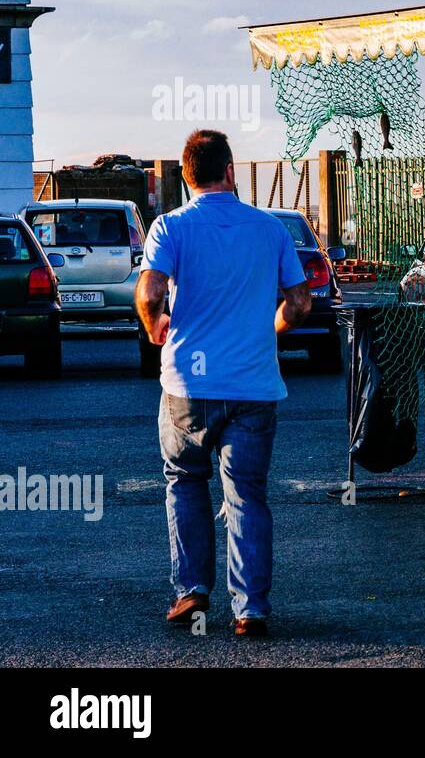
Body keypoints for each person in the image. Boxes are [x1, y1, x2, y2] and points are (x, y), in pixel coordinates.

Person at [135, 129, 311, 637]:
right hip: (253, 388)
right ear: (231, 172)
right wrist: (268, 329)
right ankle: (250, 608)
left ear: (186, 177)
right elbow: (300, 304)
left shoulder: (169, 228)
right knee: (247, 496)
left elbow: (148, 294)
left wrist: (155, 329)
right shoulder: (270, 228)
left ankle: (192, 591)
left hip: (187, 386)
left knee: (185, 483)